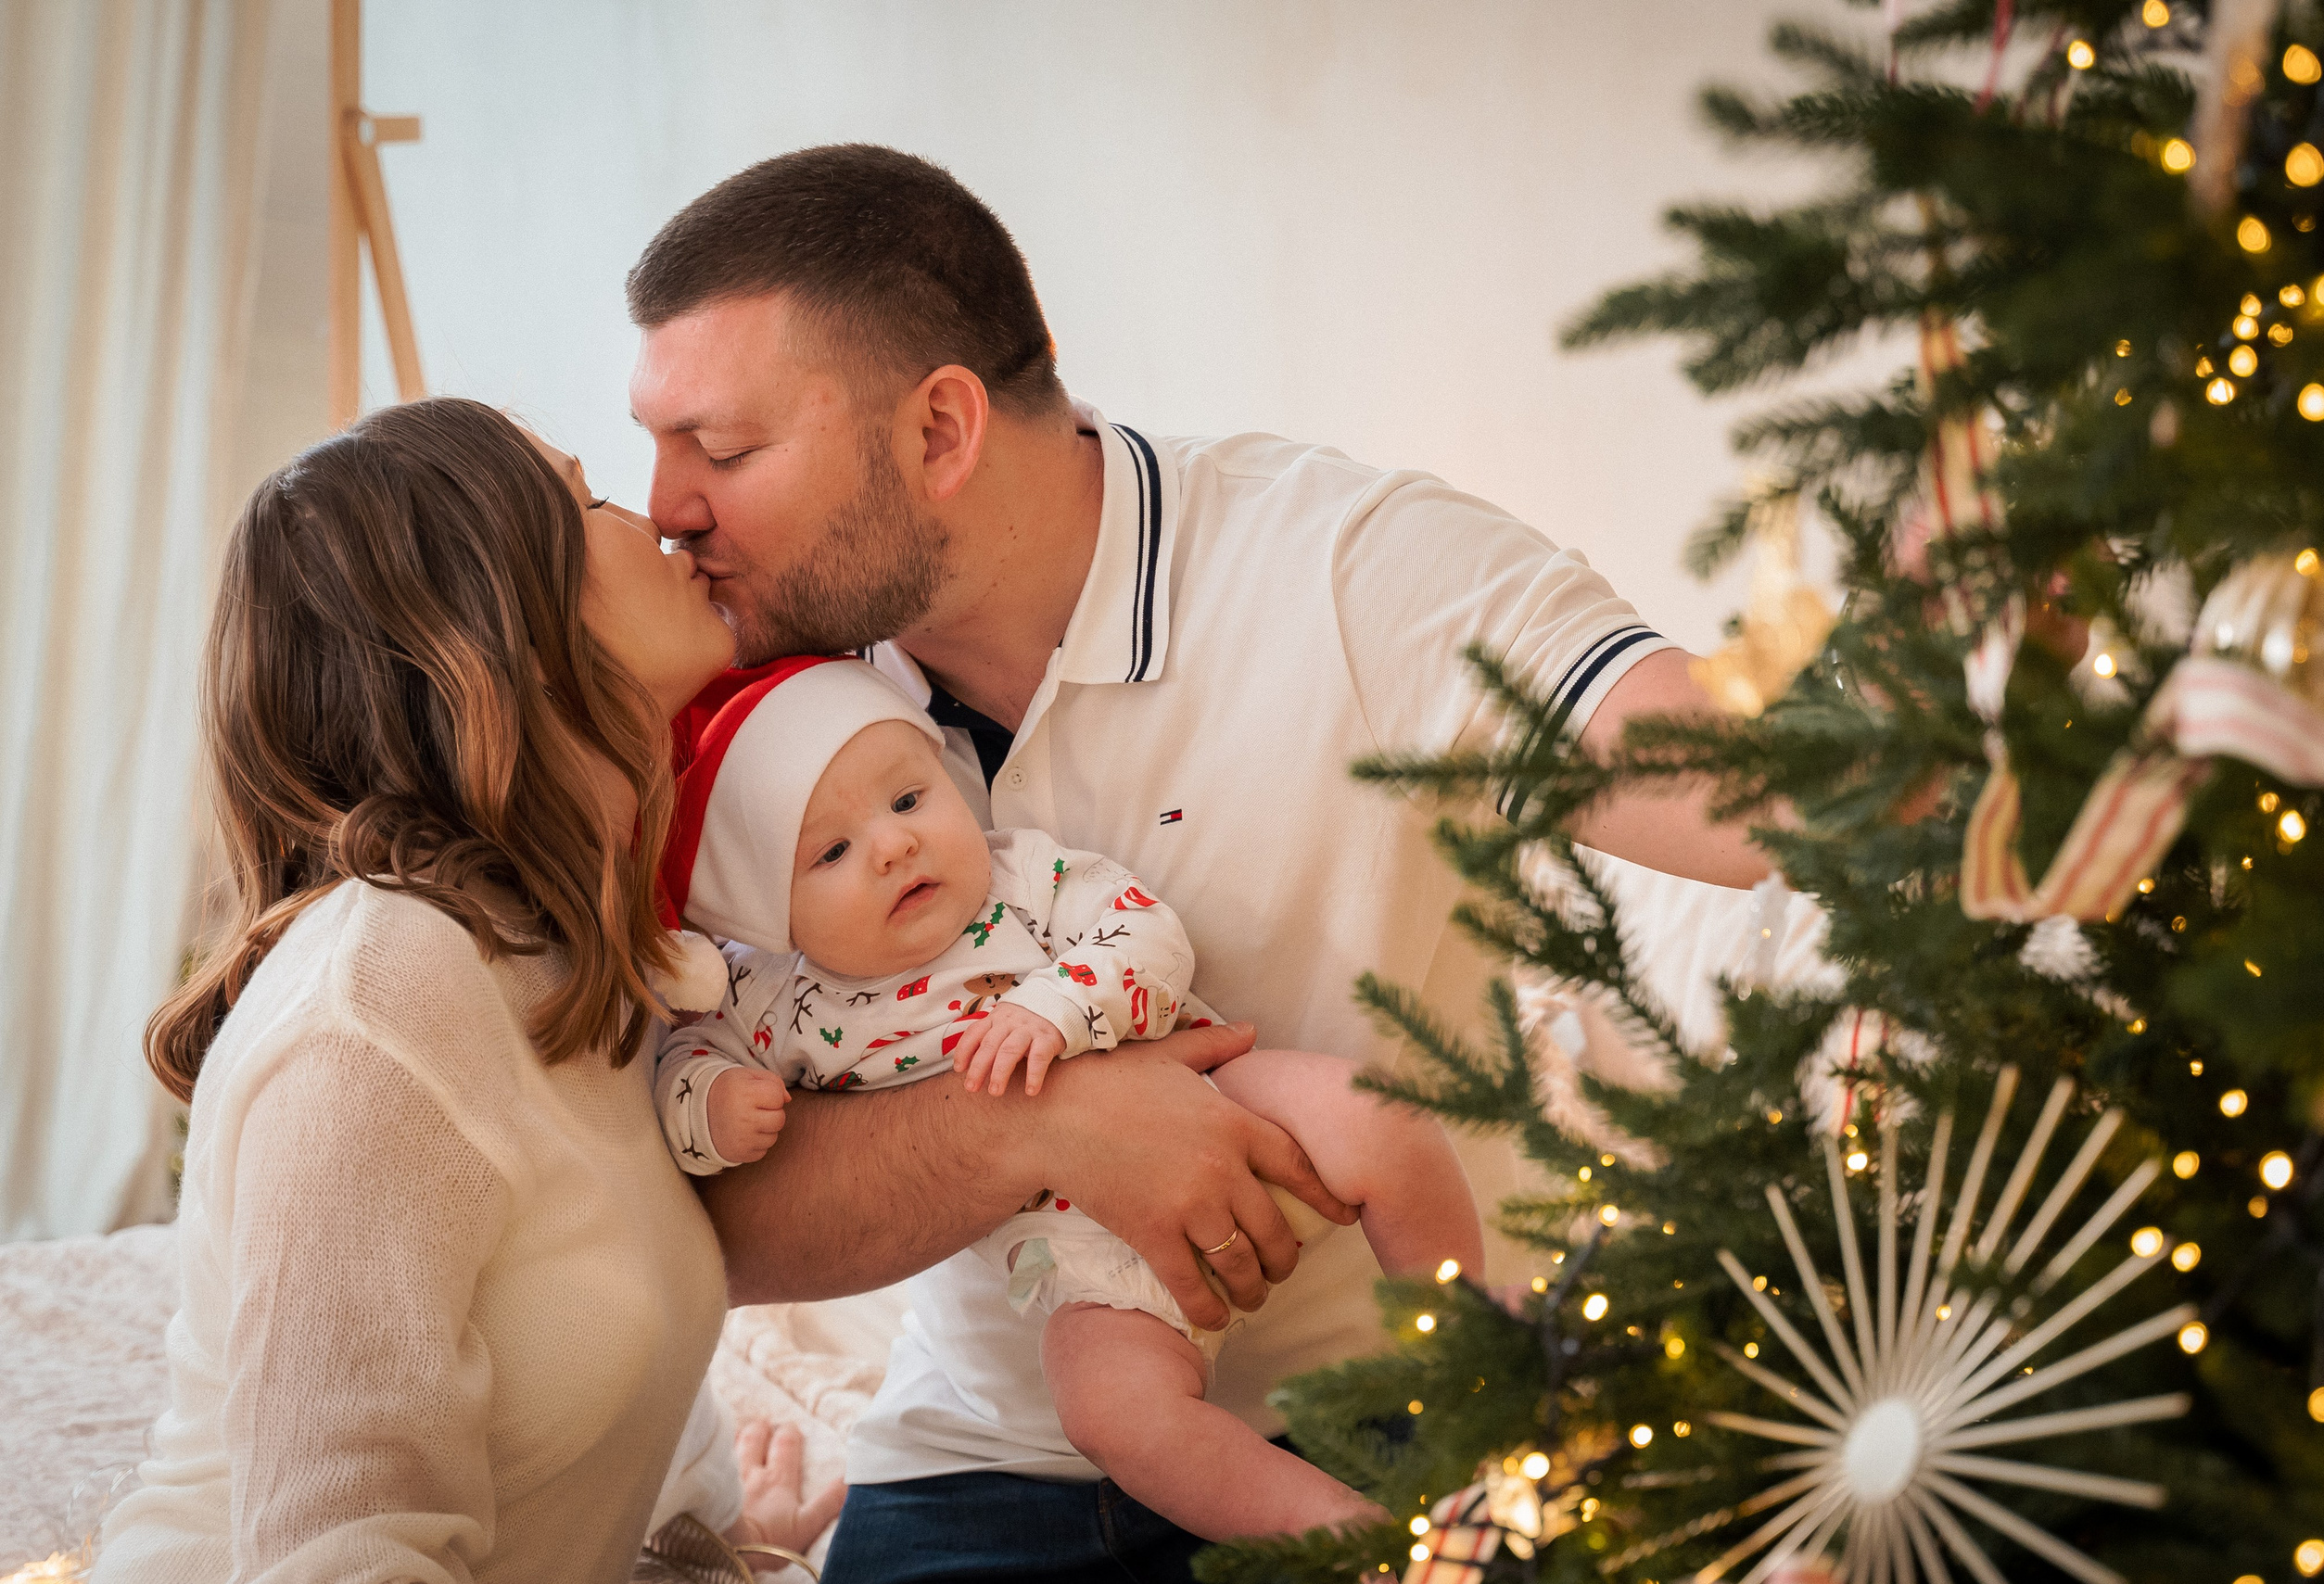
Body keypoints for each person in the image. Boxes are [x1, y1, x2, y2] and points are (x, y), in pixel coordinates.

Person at [623, 145, 1774, 1582]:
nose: (668, 507)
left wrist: (1936, 669)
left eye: (720, 452)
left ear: (937, 432)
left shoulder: (1345, 569)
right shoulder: (749, 708)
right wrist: (1050, 1124)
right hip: (991, 1446)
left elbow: (1736, 798)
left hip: (1395, 1415)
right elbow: (722, 1229)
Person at [96, 399, 837, 1581]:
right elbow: (343, 1557)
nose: (655, 518)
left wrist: (695, 1546)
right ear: (506, 621)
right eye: (591, 500)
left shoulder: (570, 954)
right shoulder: (386, 992)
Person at [649, 653, 1482, 1540]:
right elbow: (684, 1069)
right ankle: (1368, 1544)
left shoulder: (1024, 880)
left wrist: (1058, 1006)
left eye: (907, 799)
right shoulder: (776, 1000)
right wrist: (713, 1105)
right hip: (1076, 1253)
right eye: (833, 850)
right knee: (1112, 1416)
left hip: (1209, 1097)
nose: (894, 844)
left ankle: (1486, 1370)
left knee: (1381, 1119)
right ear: (766, 919)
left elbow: (1147, 933)